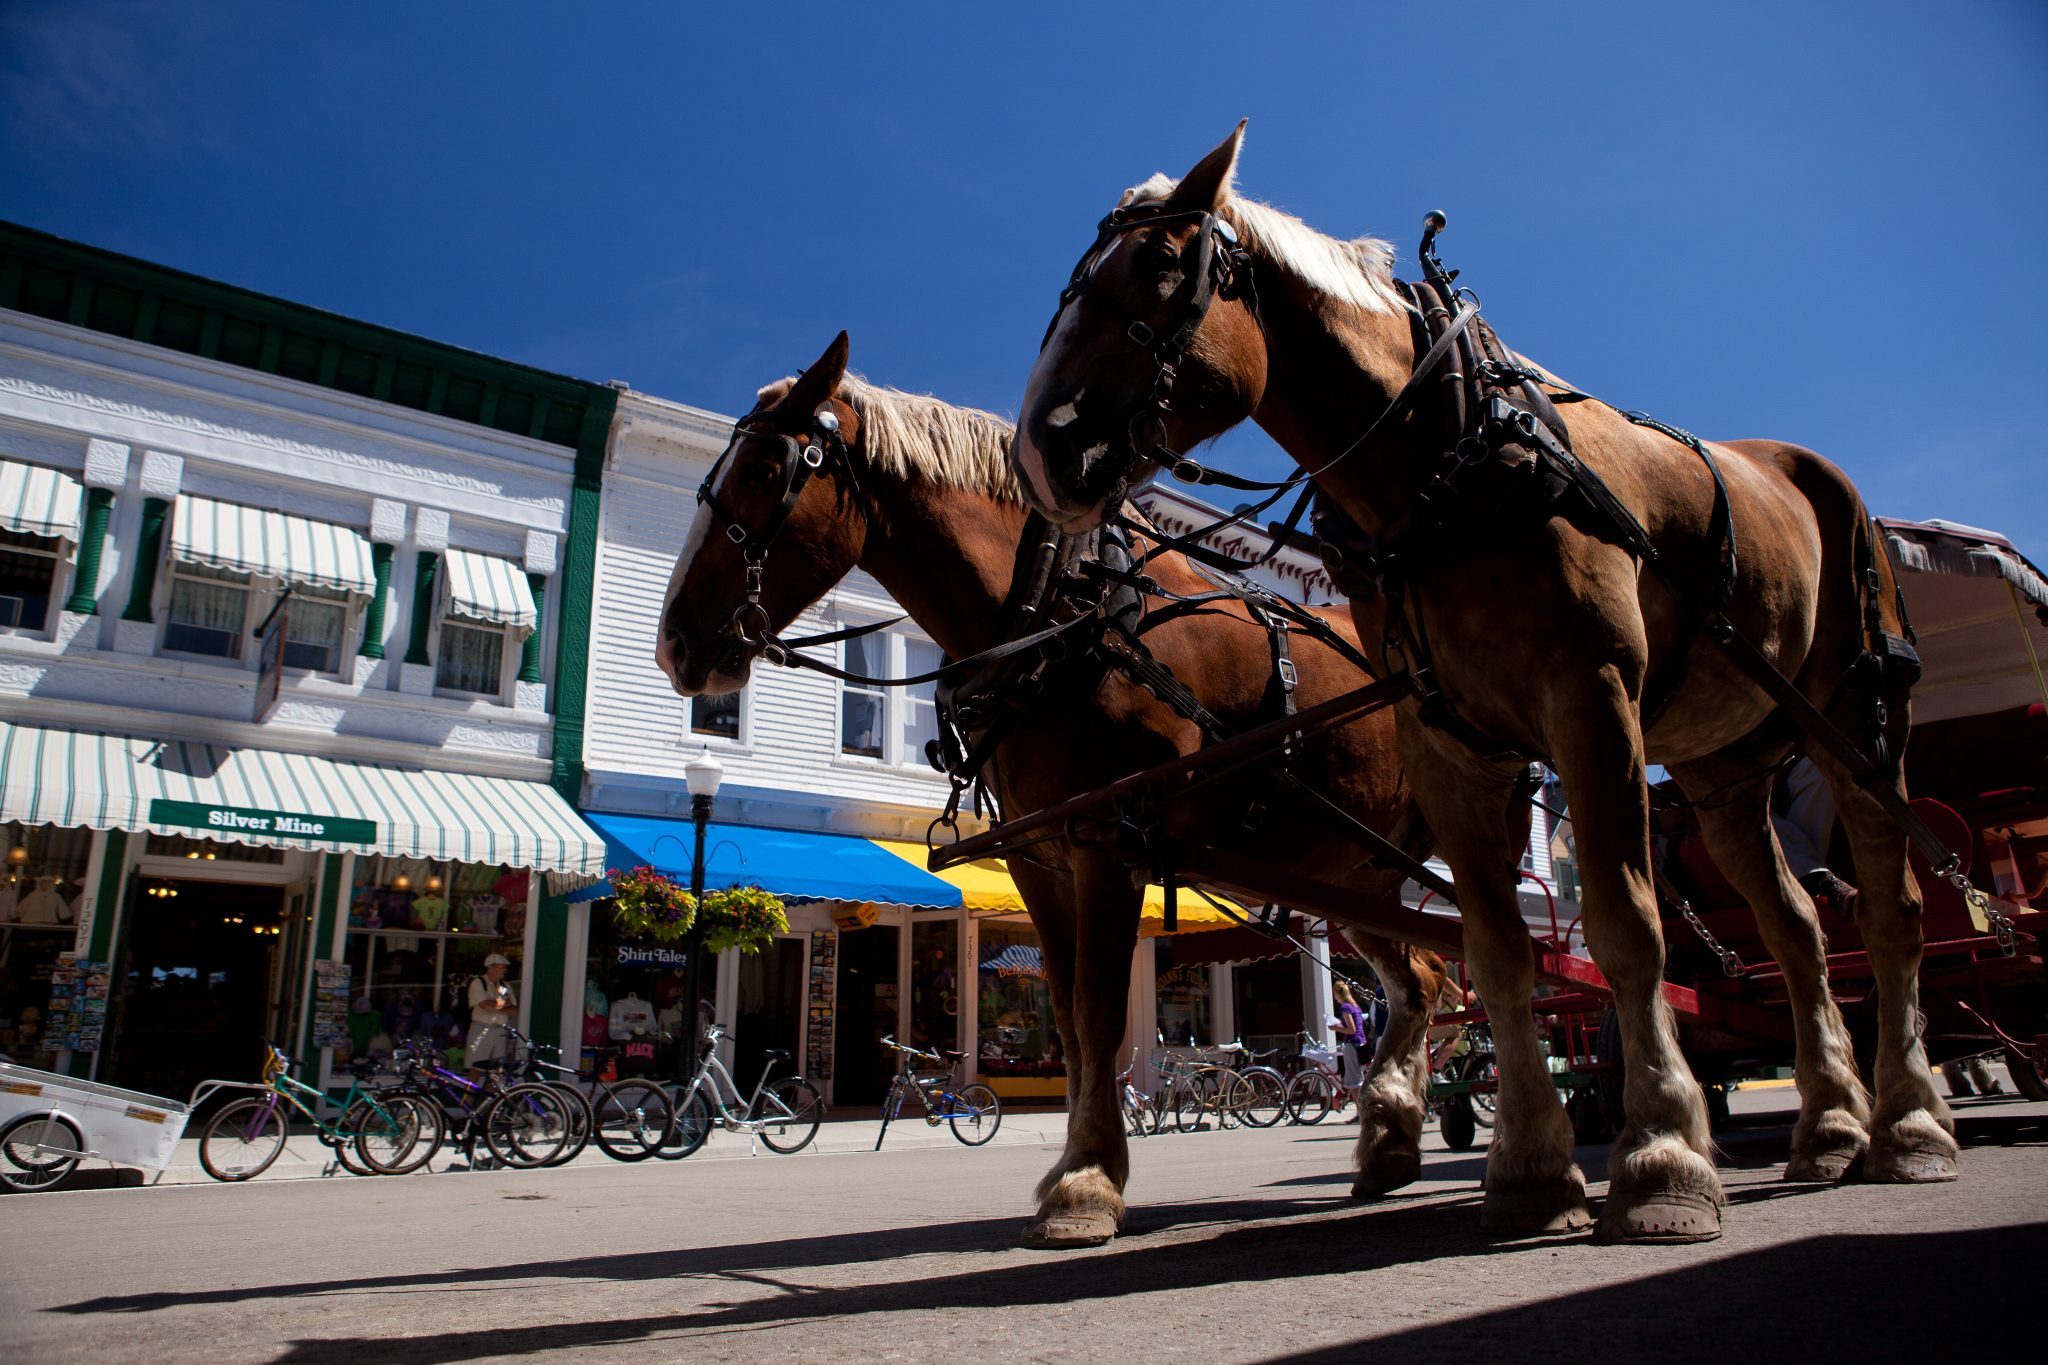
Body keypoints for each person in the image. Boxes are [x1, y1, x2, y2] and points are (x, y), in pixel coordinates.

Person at [466, 953, 517, 1077]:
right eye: (501, 966)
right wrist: (504, 1005)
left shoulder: (505, 986)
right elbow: (486, 1006)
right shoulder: (478, 983)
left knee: (498, 1069)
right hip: (482, 1029)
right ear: (490, 967)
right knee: (476, 1066)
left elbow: (514, 1009)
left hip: (500, 1030)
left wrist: (495, 1006)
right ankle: (470, 1096)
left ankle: (491, 1096)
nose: (504, 969)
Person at [1331, 979, 1368, 1089]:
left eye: (1334, 993)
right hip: (1361, 1044)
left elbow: (1351, 1030)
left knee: (1352, 1082)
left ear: (1337, 993)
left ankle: (1359, 1105)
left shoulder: (1345, 1007)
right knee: (1359, 1077)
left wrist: (1335, 1027)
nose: (1334, 996)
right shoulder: (1355, 1006)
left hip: (1352, 1044)